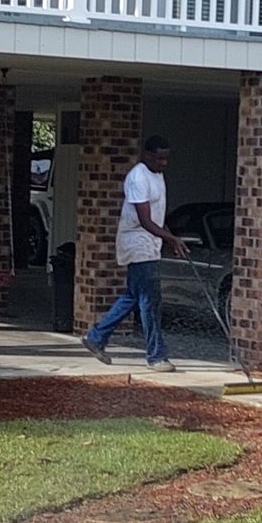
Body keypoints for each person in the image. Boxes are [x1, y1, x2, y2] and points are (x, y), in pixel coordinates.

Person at [82, 133, 188, 370]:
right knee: (150, 300)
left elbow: (158, 218)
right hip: (137, 243)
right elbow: (144, 220)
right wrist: (171, 238)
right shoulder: (138, 177)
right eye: (159, 158)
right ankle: (156, 356)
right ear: (146, 155)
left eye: (166, 159)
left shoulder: (158, 176)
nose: (164, 163)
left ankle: (96, 337)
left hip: (150, 244)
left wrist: (170, 240)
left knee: (133, 296)